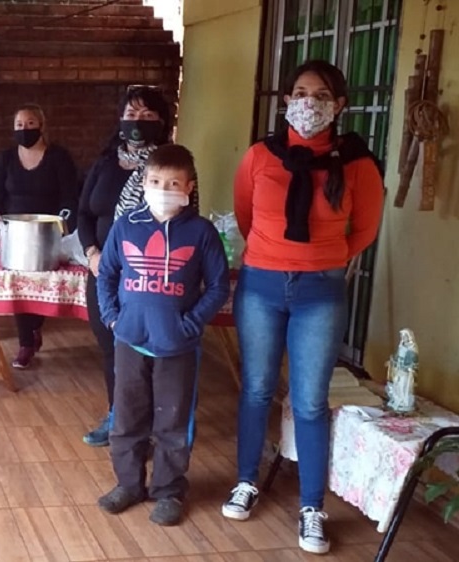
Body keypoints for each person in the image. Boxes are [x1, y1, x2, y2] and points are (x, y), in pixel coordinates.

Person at [222, 60, 384, 555]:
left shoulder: (357, 164)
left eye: (321, 95)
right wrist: (276, 257)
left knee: (311, 401)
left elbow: (365, 230)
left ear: (339, 105)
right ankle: (246, 481)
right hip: (261, 286)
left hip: (320, 292)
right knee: (256, 388)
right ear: (287, 100)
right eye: (300, 92)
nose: (308, 103)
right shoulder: (260, 156)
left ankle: (312, 507)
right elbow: (246, 216)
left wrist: (321, 260)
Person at [96, 145, 229, 527]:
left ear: (189, 187)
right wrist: (112, 318)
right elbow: (106, 274)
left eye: (173, 183)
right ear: (143, 183)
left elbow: (218, 286)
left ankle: (169, 490)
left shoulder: (201, 232)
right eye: (155, 181)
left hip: (177, 346)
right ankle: (128, 484)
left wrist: (192, 323)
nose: (163, 189)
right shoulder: (126, 226)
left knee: (172, 422)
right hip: (130, 340)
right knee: (127, 418)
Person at [78, 86, 182, 447]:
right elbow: (83, 213)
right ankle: (119, 416)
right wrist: (92, 253)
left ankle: (147, 426)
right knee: (111, 346)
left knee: (143, 352)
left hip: (145, 276)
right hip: (101, 273)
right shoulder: (106, 162)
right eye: (131, 115)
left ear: (162, 122)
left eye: (148, 116)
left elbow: (181, 223)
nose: (138, 122)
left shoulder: (169, 167)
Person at [0, 103, 78, 369]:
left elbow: (70, 195)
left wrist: (62, 223)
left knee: (41, 284)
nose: (24, 129)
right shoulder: (6, 158)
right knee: (19, 285)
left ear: (41, 126)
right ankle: (26, 343)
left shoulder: (59, 157)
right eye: (19, 124)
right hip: (15, 233)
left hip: (48, 233)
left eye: (30, 124)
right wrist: (1, 221)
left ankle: (36, 326)